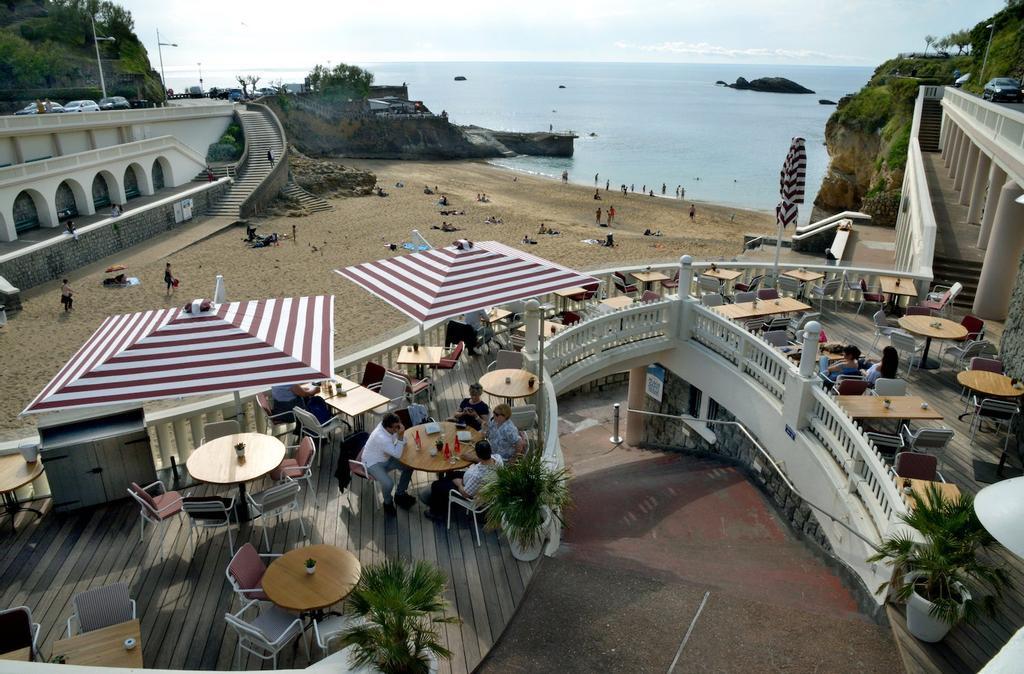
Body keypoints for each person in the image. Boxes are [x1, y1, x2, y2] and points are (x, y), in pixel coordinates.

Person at [423, 440, 503, 520]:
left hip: (467, 491)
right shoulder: (498, 458)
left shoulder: (478, 476)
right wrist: (473, 458)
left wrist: (459, 484)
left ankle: (436, 513)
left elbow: (465, 494)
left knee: (436, 485)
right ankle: (442, 500)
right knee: (450, 473)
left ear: (478, 455)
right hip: (473, 480)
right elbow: (485, 461)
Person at [363, 413, 415, 515]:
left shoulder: (388, 428)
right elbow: (398, 454)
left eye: (399, 424)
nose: (398, 428)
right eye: (396, 427)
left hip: (386, 457)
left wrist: (400, 436)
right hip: (373, 463)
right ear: (388, 427)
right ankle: (388, 503)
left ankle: (400, 494)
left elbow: (403, 443)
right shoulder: (381, 437)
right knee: (388, 483)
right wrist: (400, 436)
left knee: (409, 467)